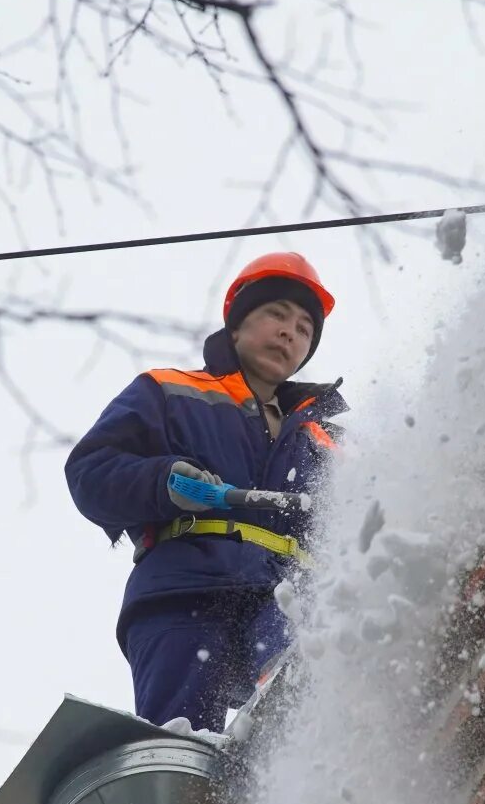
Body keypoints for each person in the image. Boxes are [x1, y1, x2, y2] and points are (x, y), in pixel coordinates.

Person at [65, 252, 347, 730]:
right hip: (183, 588)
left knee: (302, 690)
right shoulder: (169, 391)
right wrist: (165, 480)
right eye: (276, 314)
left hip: (284, 595)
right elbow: (91, 471)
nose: (289, 332)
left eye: (304, 328)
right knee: (181, 737)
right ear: (236, 327)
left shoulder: (326, 440)